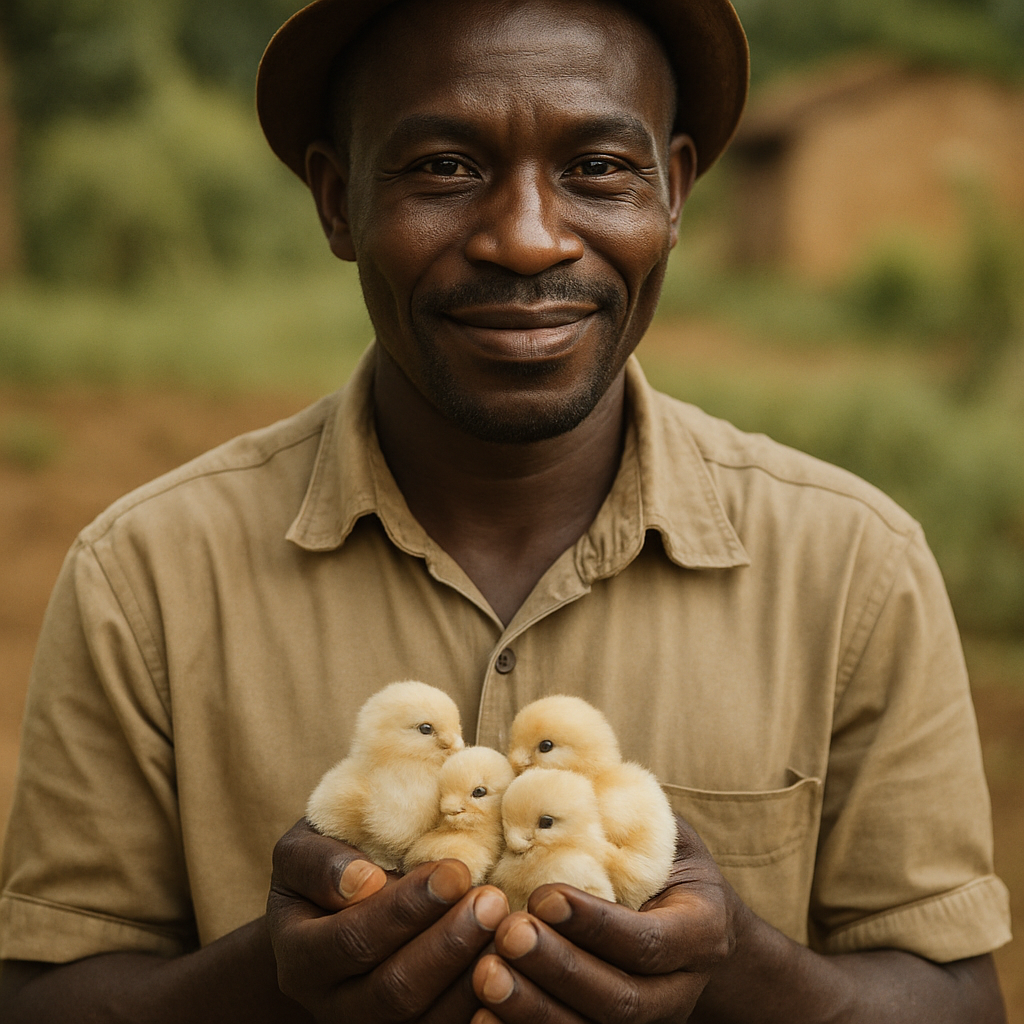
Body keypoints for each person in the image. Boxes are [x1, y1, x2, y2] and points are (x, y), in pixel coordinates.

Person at [0, 0, 1012, 1020]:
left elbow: (954, 996)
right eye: (444, 166)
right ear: (336, 200)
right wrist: (274, 976)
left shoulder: (852, 567)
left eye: (598, 169)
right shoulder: (146, 576)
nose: (527, 240)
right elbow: (46, 993)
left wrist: (739, 964)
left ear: (676, 192)